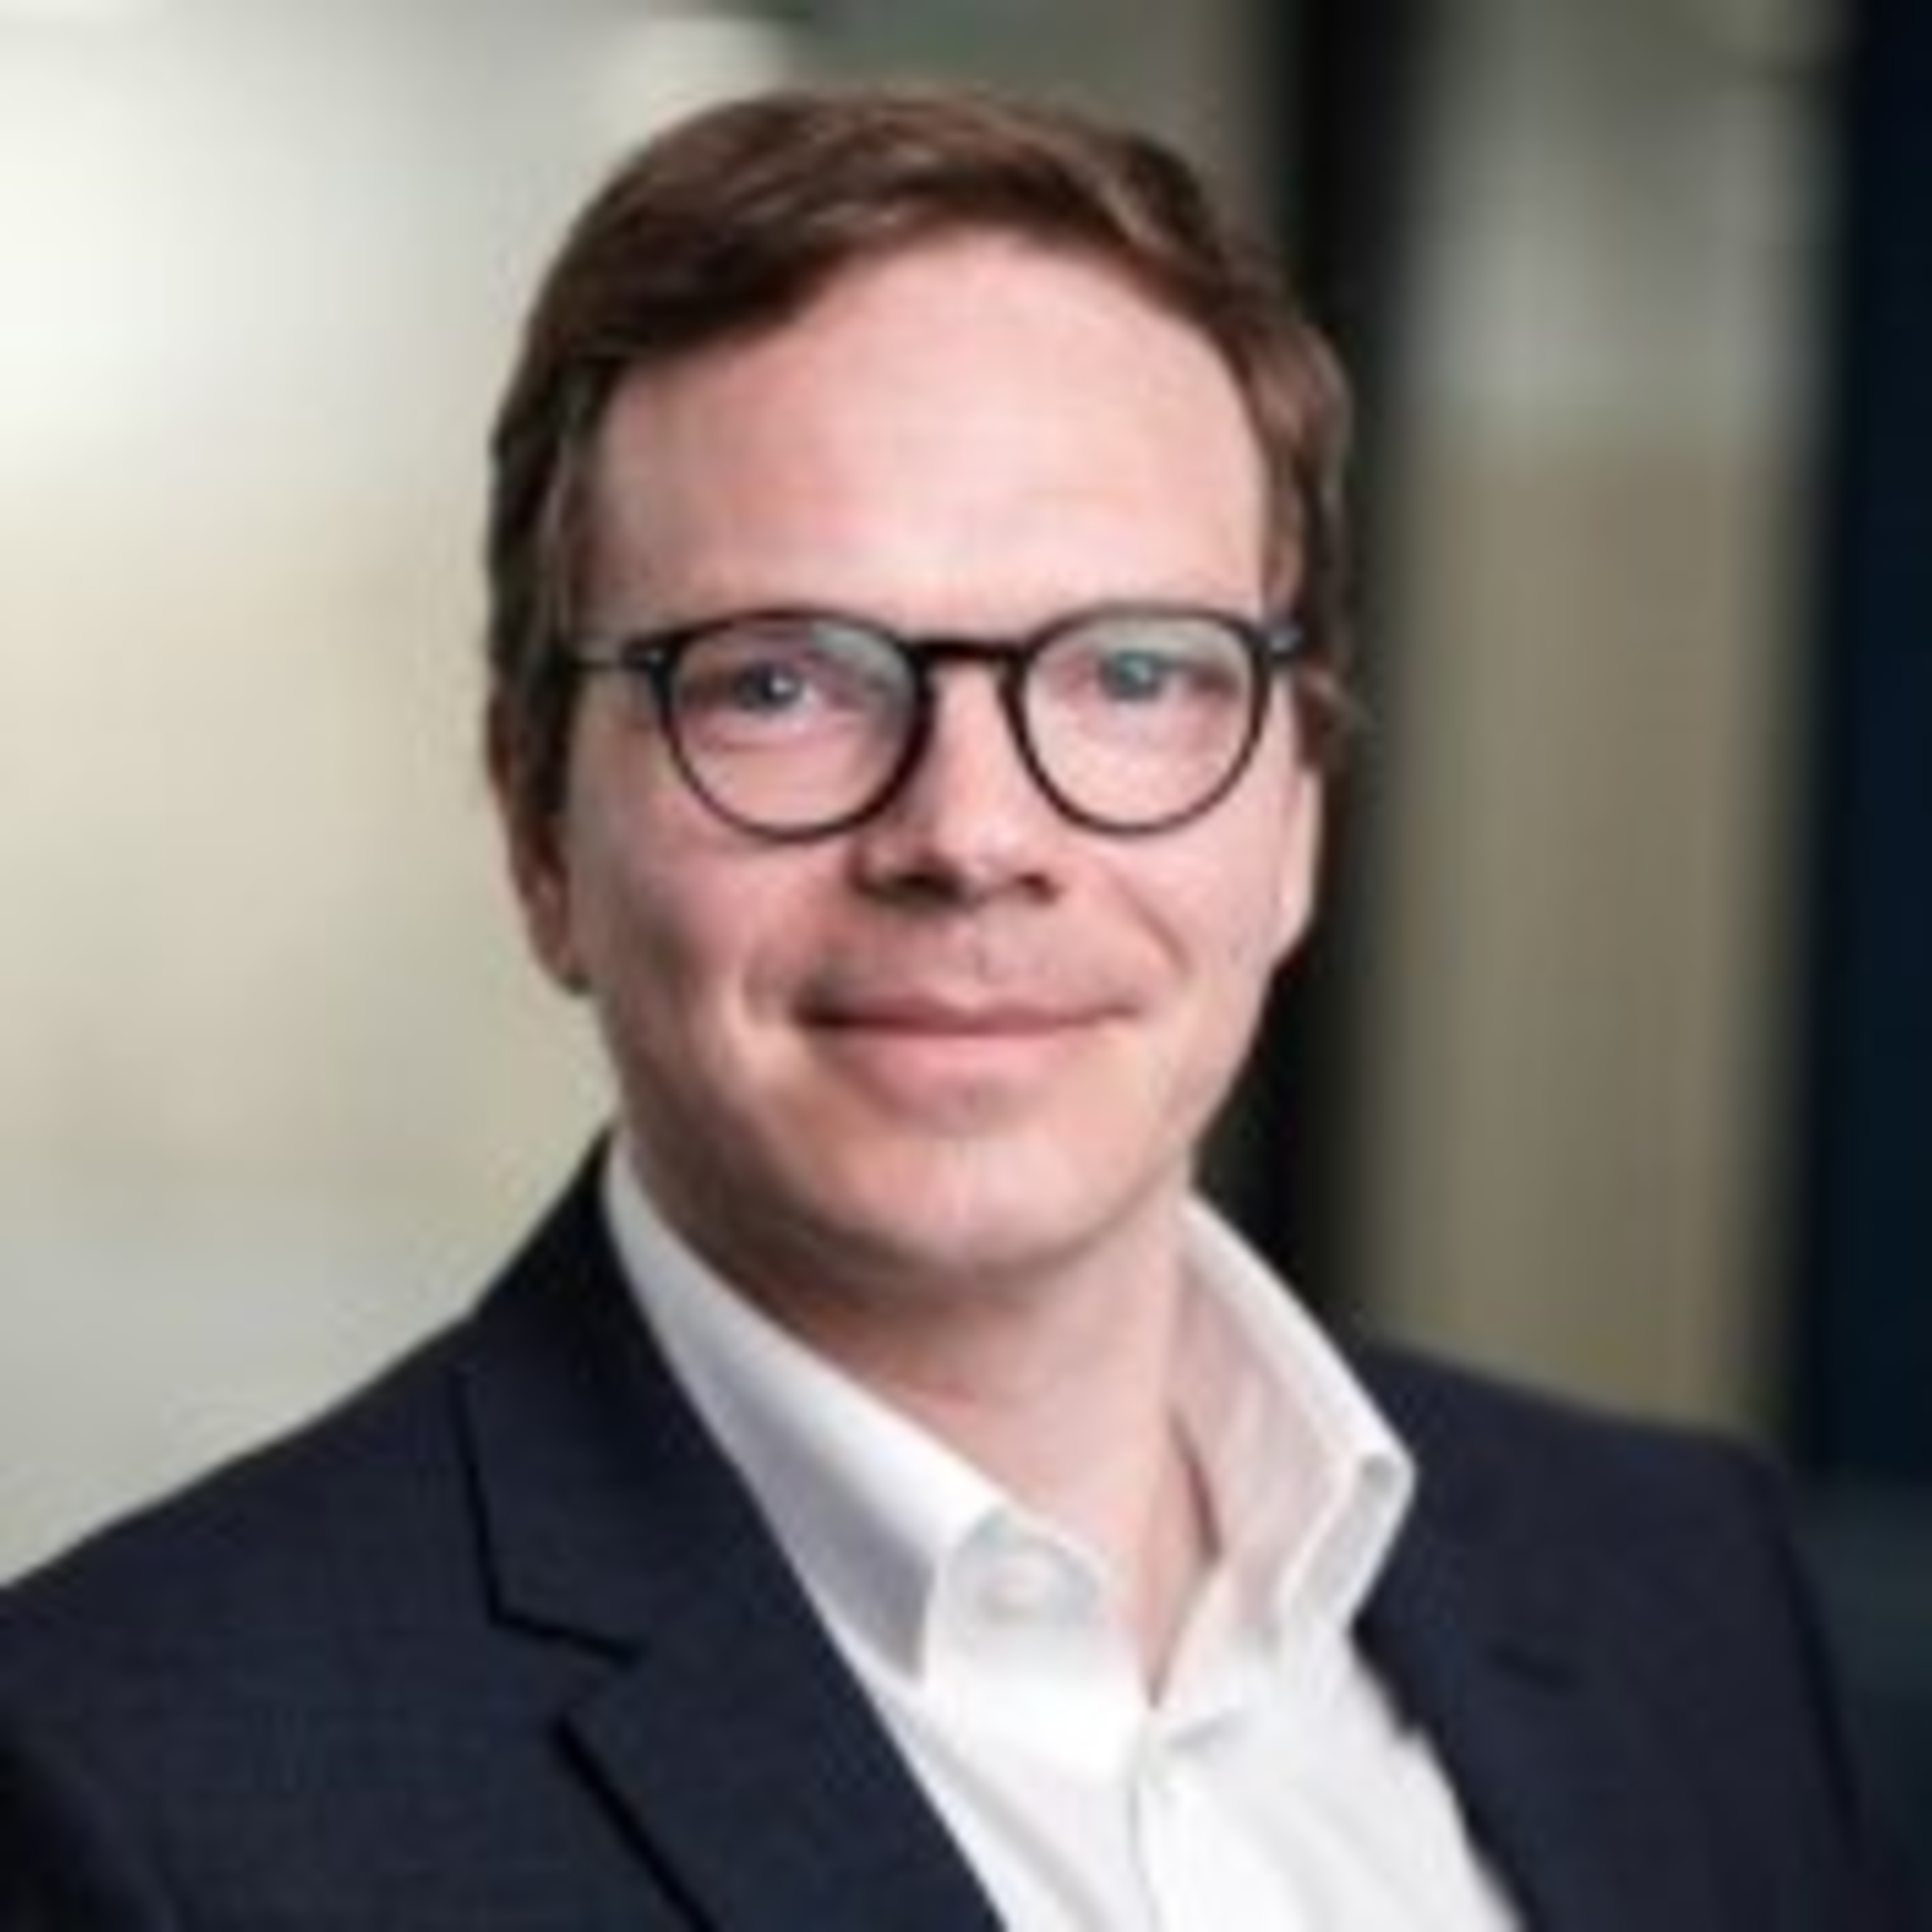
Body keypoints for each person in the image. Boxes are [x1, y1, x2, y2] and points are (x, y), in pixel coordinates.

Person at [0, 83, 1913, 1932]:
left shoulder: (1686, 1589)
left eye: (1134, 674)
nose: (972, 836)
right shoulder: (136, 1792)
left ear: (1299, 813)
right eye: (778, 682)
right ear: (536, 831)